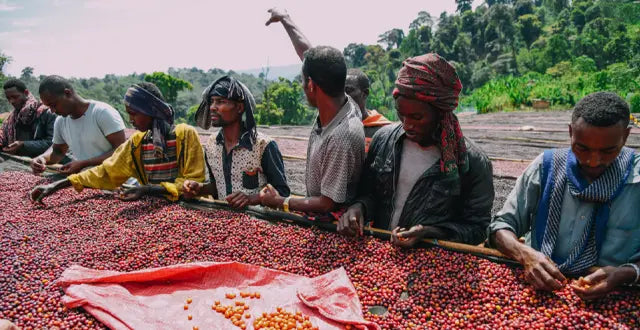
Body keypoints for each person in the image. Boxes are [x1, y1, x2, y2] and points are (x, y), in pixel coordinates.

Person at [488, 92, 640, 299]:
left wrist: (628, 273)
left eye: (608, 151)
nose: (593, 161)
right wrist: (525, 255)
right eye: (582, 148)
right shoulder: (546, 167)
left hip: (618, 295)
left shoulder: (636, 179)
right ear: (570, 132)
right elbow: (501, 226)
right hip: (541, 289)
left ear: (626, 136)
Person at [338, 53, 494, 247]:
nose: (407, 125)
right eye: (401, 115)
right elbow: (368, 193)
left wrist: (429, 233)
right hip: (381, 253)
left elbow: (477, 228)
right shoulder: (383, 140)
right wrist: (358, 207)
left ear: (440, 113)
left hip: (431, 265)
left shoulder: (472, 162)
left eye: (417, 117)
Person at [30, 82, 205, 202]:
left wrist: (148, 189)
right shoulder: (138, 142)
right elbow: (105, 172)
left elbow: (193, 182)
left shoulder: (184, 134)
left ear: (151, 111)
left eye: (134, 114)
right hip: (151, 208)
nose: (131, 120)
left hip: (186, 207)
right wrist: (56, 185)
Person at [265, 8, 391, 151]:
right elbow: (311, 58)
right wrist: (285, 19)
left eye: (349, 90)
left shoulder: (383, 131)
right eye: (341, 89)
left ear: (365, 93)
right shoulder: (334, 116)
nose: (344, 94)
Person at [259, 46, 365, 215]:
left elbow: (326, 204)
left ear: (310, 84)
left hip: (333, 228)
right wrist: (286, 20)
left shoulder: (341, 136)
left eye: (303, 81)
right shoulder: (340, 104)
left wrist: (279, 201)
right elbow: (320, 60)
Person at [181, 76, 290, 208]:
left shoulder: (263, 145)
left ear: (239, 107)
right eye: (212, 102)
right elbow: (218, 186)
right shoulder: (211, 145)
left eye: (220, 101)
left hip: (258, 221)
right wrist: (199, 188)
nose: (212, 107)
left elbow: (282, 192)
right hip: (222, 222)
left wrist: (251, 199)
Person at [30, 75, 126, 175]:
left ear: (67, 93)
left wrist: (84, 163)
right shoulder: (61, 121)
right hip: (87, 179)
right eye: (49, 107)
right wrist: (42, 158)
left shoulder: (102, 113)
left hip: (118, 180)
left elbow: (121, 151)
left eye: (54, 105)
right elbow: (57, 152)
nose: (53, 111)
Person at [0, 78, 57, 157]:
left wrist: (23, 145)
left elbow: (53, 144)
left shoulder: (47, 113)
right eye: (8, 98)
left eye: (15, 97)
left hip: (44, 163)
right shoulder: (11, 118)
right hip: (20, 162)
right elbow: (4, 137)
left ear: (26, 93)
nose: (11, 101)